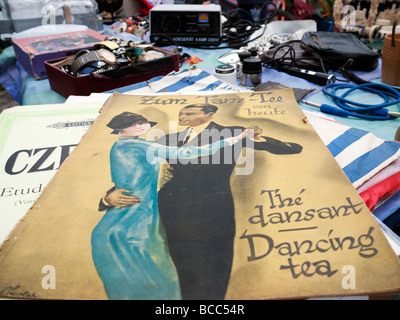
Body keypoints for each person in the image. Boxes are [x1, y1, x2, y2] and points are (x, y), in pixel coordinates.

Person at [100, 104, 303, 299]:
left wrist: (260, 138)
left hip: (214, 209)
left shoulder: (232, 133)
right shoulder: (167, 140)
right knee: (175, 268)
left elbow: (290, 148)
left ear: (209, 114)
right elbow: (133, 173)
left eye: (189, 112)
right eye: (181, 112)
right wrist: (108, 198)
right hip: (169, 210)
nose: (182, 116)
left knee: (214, 268)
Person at [92, 111, 248, 300]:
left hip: (150, 215)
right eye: (134, 124)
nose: (141, 126)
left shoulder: (122, 146)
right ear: (120, 129)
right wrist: (232, 140)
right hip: (138, 219)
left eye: (143, 122)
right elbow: (186, 153)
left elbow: (132, 178)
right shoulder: (140, 146)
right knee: (156, 277)